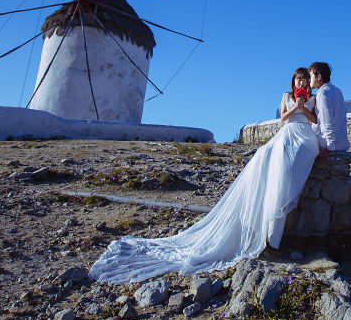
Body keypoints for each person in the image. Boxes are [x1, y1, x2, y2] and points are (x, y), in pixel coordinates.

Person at [89, 68, 319, 284]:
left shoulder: (313, 97)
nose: (301, 82)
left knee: (286, 158)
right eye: (298, 79)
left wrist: (304, 107)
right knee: (266, 153)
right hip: (288, 130)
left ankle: (280, 204)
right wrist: (295, 106)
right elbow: (283, 118)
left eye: (304, 79)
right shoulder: (286, 96)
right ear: (293, 81)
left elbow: (314, 120)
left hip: (303, 134)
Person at [308, 62, 350, 156]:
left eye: (310, 76)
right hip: (342, 143)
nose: (309, 79)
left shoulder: (322, 94)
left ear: (319, 77)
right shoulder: (337, 90)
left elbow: (327, 121)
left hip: (328, 145)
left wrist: (329, 147)